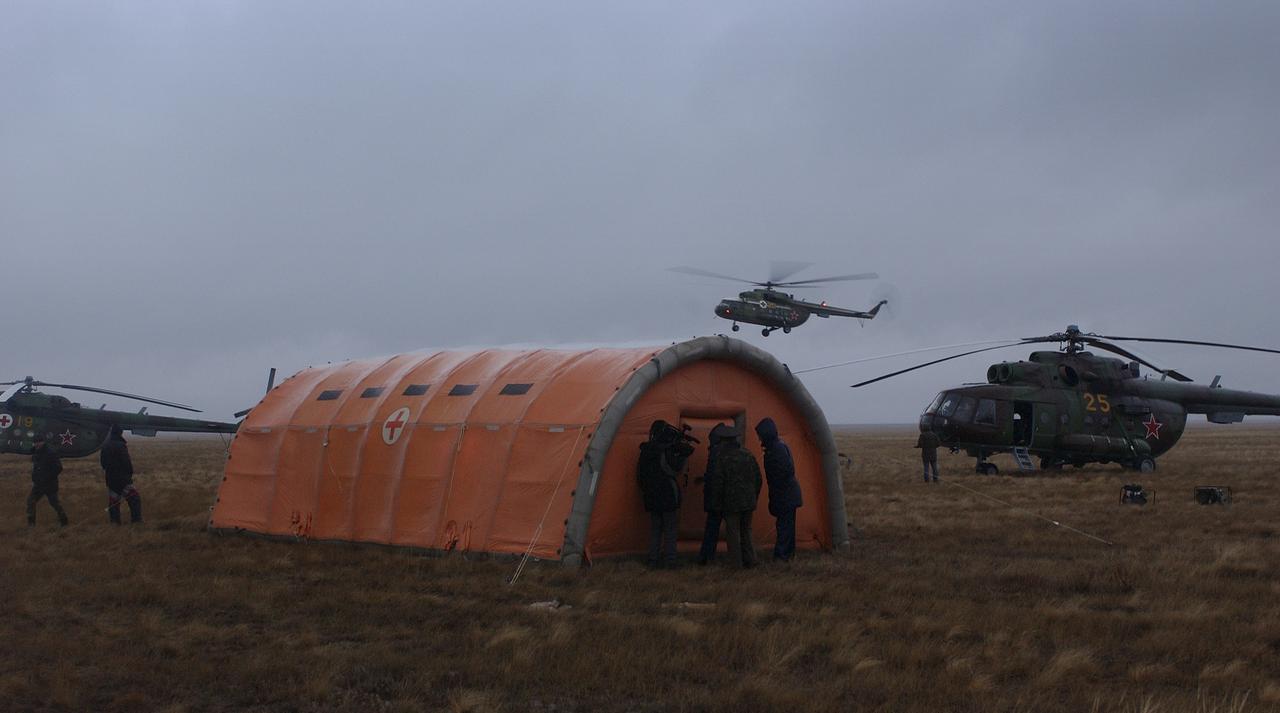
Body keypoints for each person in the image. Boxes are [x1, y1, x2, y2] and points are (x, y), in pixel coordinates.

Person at [636, 420, 693, 568]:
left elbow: (640, 476)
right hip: (668, 495)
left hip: (651, 496)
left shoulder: (645, 452)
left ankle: (652, 560)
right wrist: (683, 455)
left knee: (655, 529)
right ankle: (670, 561)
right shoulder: (665, 452)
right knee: (670, 529)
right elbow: (674, 471)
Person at [708, 427, 761, 569]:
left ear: (723, 440)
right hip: (749, 502)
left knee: (733, 533)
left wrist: (716, 503)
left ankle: (736, 564)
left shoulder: (722, 458)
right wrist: (754, 496)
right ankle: (751, 560)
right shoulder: (748, 455)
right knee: (746, 531)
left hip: (731, 503)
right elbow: (758, 478)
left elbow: (718, 483)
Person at [755, 417, 802, 562]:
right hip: (787, 494)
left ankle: (781, 556)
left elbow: (785, 471)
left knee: (784, 526)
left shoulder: (776, 449)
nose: (759, 438)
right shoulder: (777, 447)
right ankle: (787, 554)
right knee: (787, 525)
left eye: (760, 435)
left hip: (785, 495)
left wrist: (776, 491)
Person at [696, 423, 734, 565]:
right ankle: (712, 557)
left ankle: (706, 557)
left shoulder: (714, 453)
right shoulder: (724, 453)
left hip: (715, 497)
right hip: (722, 497)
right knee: (731, 528)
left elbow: (714, 475)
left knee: (712, 528)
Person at [100, 425, 143, 524]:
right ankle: (136, 521)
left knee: (114, 502)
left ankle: (115, 523)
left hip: (110, 478)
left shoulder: (105, 445)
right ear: (120, 433)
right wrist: (129, 473)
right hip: (123, 478)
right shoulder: (121, 445)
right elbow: (126, 462)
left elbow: (103, 463)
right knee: (134, 498)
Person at [27, 434, 69, 527]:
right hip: (38, 484)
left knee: (54, 503)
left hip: (49, 484)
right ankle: (31, 525)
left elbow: (59, 468)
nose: (37, 444)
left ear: (43, 442)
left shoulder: (50, 453)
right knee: (31, 501)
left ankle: (64, 521)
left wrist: (47, 477)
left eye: (38, 442)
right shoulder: (35, 453)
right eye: (35, 443)